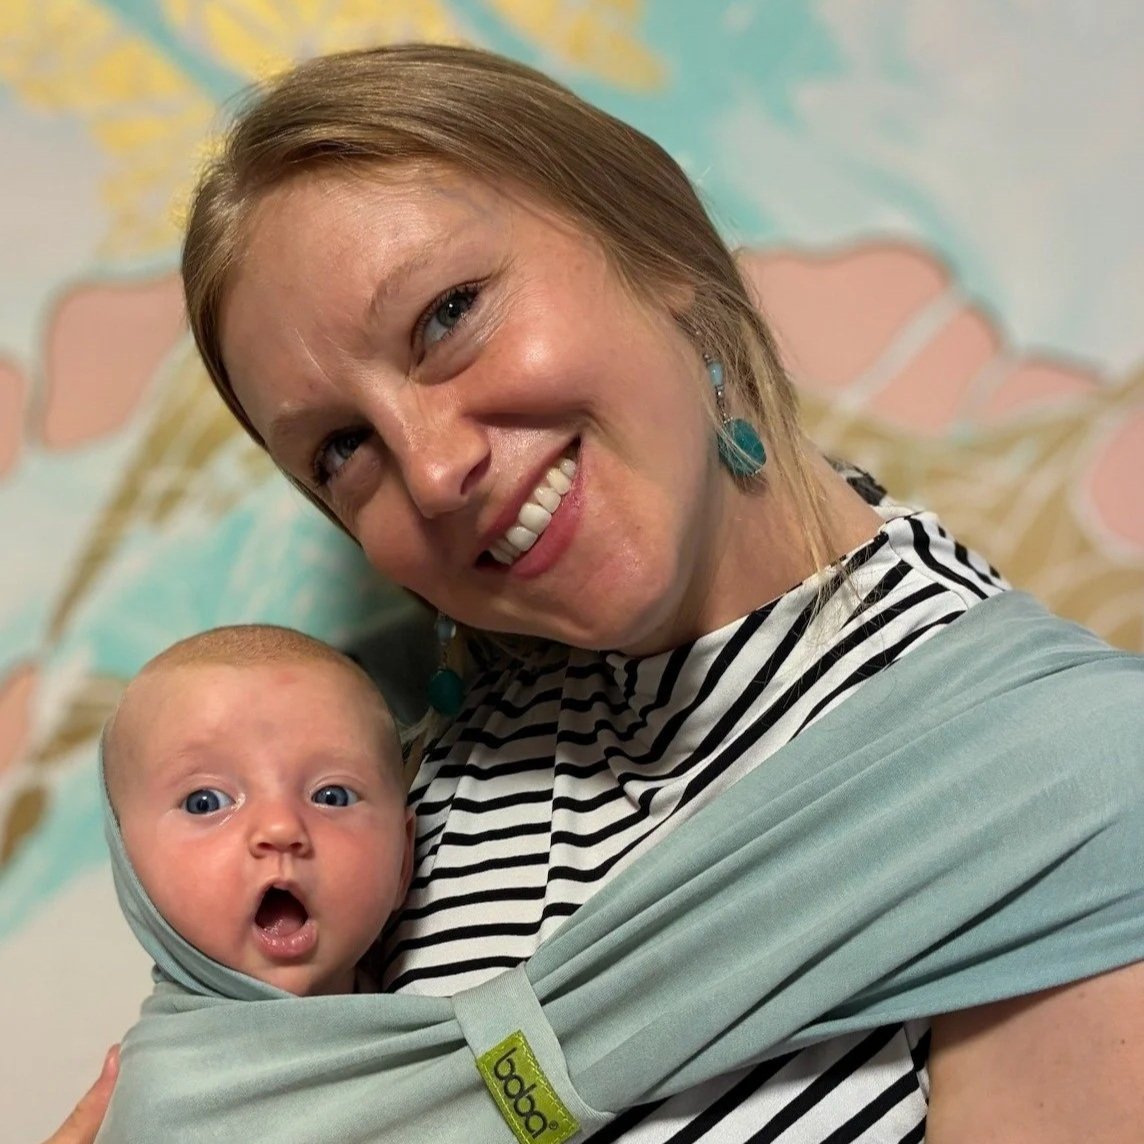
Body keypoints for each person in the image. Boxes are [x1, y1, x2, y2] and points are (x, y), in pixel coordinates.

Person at [47, 42, 1142, 1144]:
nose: (432, 468)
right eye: (342, 448)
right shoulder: (389, 798)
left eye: (447, 315)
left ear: (654, 249)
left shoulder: (1056, 790)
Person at [102, 623, 415, 997]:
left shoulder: (451, 1017)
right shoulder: (174, 1044)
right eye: (205, 802)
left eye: (332, 796)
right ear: (128, 867)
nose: (281, 827)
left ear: (403, 860)